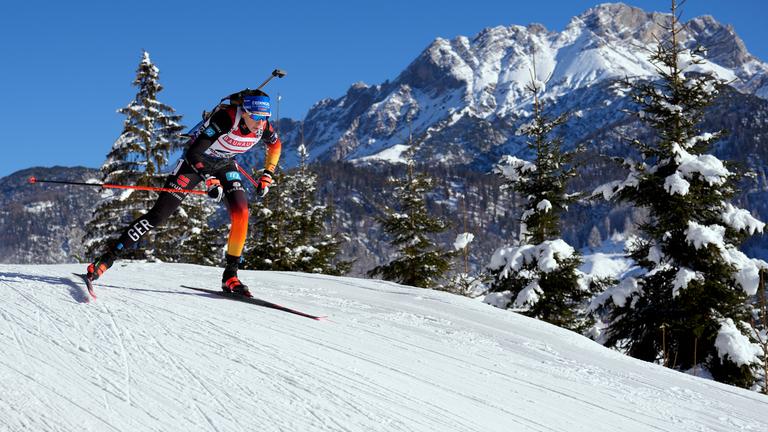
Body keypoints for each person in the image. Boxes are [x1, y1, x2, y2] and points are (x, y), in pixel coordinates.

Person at [85, 89, 282, 297]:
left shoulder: (263, 128)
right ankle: (106, 258)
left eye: (265, 118)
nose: (261, 123)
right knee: (158, 216)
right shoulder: (225, 119)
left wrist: (267, 174)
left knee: (242, 212)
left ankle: (230, 277)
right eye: (258, 117)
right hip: (195, 164)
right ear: (245, 112)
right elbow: (194, 152)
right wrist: (209, 179)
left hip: (225, 164)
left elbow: (276, 146)